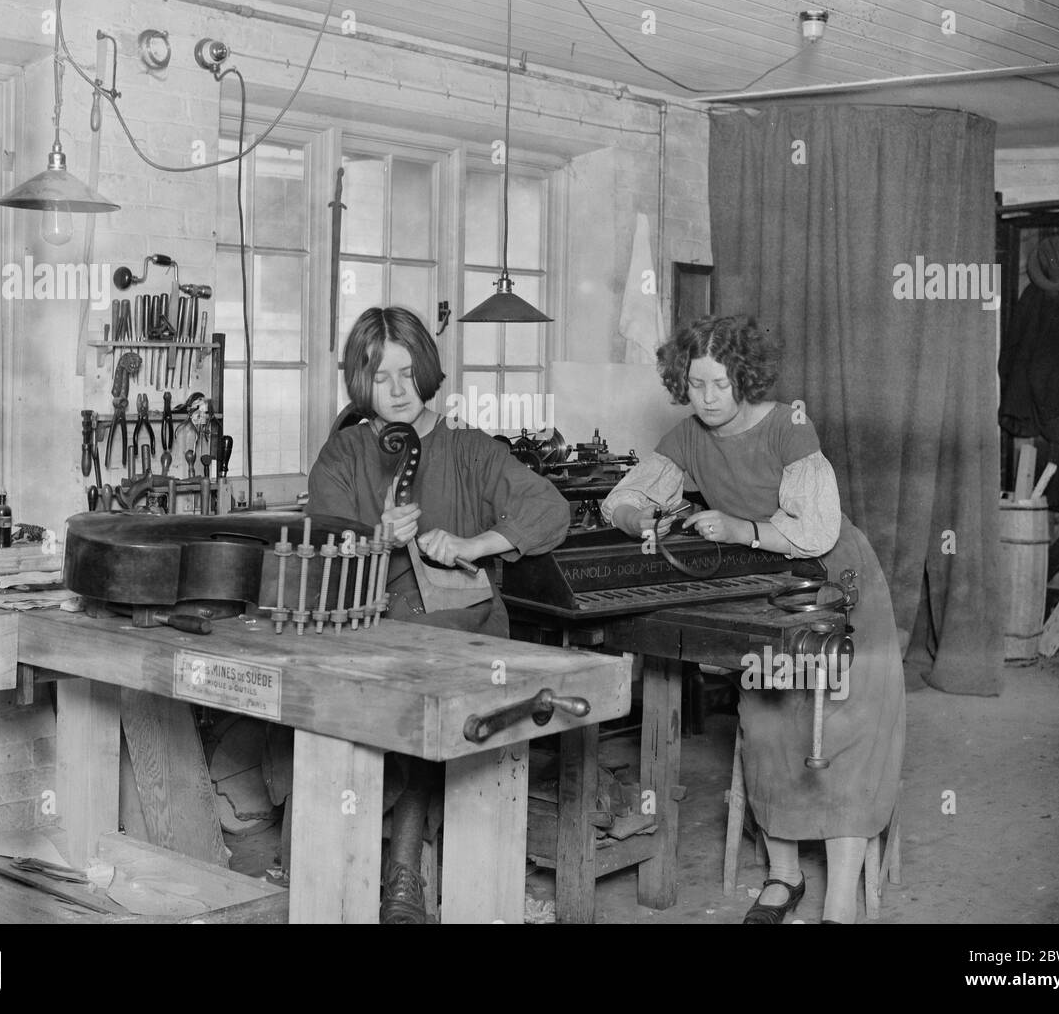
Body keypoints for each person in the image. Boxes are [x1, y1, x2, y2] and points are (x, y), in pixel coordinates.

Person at [601, 315, 905, 924]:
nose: (707, 399)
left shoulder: (789, 425)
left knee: (845, 723)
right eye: (694, 385)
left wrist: (743, 530)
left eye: (719, 385)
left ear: (745, 379)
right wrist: (643, 518)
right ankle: (784, 875)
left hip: (838, 582)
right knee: (767, 722)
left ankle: (840, 895)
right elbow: (621, 499)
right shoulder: (688, 436)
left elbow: (817, 529)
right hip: (769, 591)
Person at [307, 306, 571, 923]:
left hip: (463, 631)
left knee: (433, 710)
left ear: (425, 372)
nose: (396, 391)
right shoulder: (345, 453)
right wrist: (375, 535)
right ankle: (353, 872)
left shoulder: (470, 450)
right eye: (379, 376)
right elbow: (321, 543)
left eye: (406, 373)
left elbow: (549, 510)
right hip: (369, 627)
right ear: (360, 381)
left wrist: (475, 545)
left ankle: (403, 881)